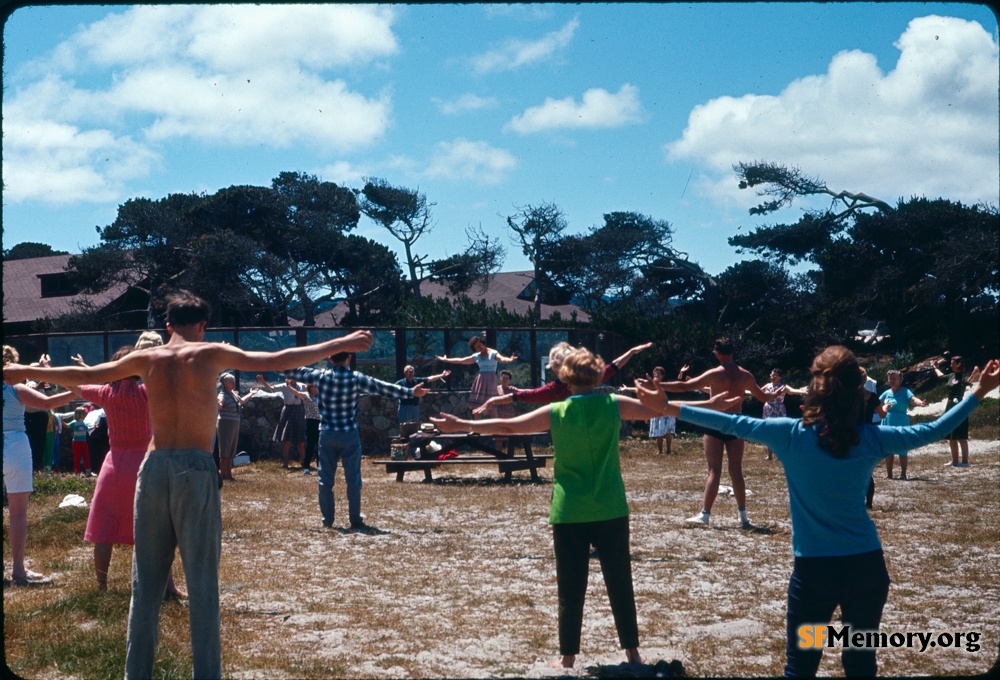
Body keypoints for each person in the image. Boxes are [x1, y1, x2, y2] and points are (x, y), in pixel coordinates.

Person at [3, 290, 374, 679]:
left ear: (167, 326)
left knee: (145, 583)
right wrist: (342, 342)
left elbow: (86, 376)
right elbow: (278, 359)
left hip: (154, 466)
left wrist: (30, 371)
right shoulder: (211, 352)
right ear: (202, 325)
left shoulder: (146, 358)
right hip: (194, 469)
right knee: (201, 580)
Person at [637, 347, 1000, 677]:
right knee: (860, 663)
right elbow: (935, 429)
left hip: (814, 573)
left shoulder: (790, 434)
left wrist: (667, 407)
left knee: (801, 666)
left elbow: (730, 424)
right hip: (866, 568)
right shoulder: (871, 437)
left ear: (815, 387)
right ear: (858, 390)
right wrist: (978, 393)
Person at [432, 348, 718, 669]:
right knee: (620, 582)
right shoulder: (614, 404)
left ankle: (567, 658)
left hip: (569, 511)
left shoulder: (556, 410)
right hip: (611, 506)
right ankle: (633, 654)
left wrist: (458, 425)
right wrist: (709, 406)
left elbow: (510, 427)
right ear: (598, 375)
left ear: (565, 377)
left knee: (570, 585)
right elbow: (664, 410)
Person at [64, 346, 185, 596]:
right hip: (146, 464)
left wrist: (50, 371)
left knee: (103, 529)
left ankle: (101, 587)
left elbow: (79, 386)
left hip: (114, 466)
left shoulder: (107, 393)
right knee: (158, 528)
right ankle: (168, 587)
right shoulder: (147, 391)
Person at [280, 351, 428, 531]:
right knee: (353, 479)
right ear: (349, 358)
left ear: (330, 359)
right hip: (349, 433)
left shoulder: (319, 376)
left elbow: (290, 371)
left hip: (326, 433)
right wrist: (411, 391)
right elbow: (383, 387)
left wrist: (267, 361)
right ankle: (355, 519)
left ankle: (327, 519)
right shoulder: (356, 378)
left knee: (325, 480)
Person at [658, 337, 771, 528]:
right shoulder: (746, 375)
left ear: (717, 353)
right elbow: (763, 396)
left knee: (714, 470)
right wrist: (775, 395)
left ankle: (705, 514)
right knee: (736, 470)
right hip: (736, 422)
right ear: (732, 352)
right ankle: (743, 517)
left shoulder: (714, 374)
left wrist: (659, 385)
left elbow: (685, 386)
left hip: (715, 422)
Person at [3, 346, 76, 586]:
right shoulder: (17, 389)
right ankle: (18, 569)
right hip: (15, 444)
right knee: (18, 512)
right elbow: (48, 403)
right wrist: (74, 392)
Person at [472, 341, 653, 415]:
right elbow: (615, 365)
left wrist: (493, 402)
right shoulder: (608, 399)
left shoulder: (554, 397)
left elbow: (522, 398)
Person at [435, 335, 517, 417]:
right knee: (476, 407)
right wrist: (445, 359)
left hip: (491, 381)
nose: (479, 347)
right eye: (477, 347)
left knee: (492, 407)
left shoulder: (493, 353)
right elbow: (461, 360)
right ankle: (476, 428)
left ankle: (494, 428)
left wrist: (510, 359)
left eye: (480, 345)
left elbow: (502, 359)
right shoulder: (476, 356)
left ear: (483, 343)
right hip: (480, 380)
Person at [878, 370, 927, 480]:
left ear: (900, 380)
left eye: (894, 378)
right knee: (888, 448)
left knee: (902, 447)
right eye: (890, 378)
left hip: (901, 422)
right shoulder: (886, 393)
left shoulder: (905, 391)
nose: (892, 381)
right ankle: (889, 474)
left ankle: (903, 474)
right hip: (887, 422)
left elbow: (913, 400)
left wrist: (920, 403)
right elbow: (877, 404)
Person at [934, 355, 981, 467]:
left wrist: (974, 374)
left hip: (960, 407)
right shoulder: (951, 376)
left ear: (958, 364)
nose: (950, 365)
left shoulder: (962, 377)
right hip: (949, 406)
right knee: (951, 435)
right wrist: (935, 368)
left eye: (952, 363)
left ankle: (965, 461)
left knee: (961, 436)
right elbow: (941, 376)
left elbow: (968, 382)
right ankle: (955, 461)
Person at [255, 374, 308, 469]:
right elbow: (271, 388)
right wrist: (262, 381)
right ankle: (285, 462)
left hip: (299, 410)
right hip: (288, 410)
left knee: (301, 439)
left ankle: (303, 460)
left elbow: (310, 391)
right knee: (287, 438)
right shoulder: (284, 386)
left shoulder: (302, 386)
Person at [216, 373, 258, 481]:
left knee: (230, 451)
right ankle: (223, 476)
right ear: (225, 384)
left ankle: (229, 475)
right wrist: (218, 404)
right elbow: (220, 403)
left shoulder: (233, 394)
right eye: (231, 382)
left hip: (234, 424)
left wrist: (251, 393)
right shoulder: (223, 394)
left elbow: (242, 401)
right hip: (226, 424)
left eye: (233, 382)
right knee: (224, 451)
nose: (233, 384)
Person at [761, 368, 788, 461]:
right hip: (768, 409)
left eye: (775, 376)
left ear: (780, 377)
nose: (772, 377)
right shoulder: (767, 385)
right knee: (769, 432)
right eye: (771, 375)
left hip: (779, 409)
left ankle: (779, 455)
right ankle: (769, 455)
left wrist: (804, 392)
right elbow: (757, 393)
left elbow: (793, 391)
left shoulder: (783, 386)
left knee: (779, 432)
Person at [66, 406, 95, 476]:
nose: (85, 414)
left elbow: (87, 429)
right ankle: (77, 472)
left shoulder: (83, 422)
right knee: (77, 457)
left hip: (84, 442)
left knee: (86, 456)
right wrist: (61, 421)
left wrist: (94, 427)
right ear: (79, 414)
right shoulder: (74, 422)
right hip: (76, 442)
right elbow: (67, 426)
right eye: (83, 413)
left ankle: (88, 471)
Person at [301, 384, 322, 475]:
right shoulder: (306, 395)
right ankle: (306, 467)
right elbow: (296, 393)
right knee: (310, 445)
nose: (316, 388)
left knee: (320, 445)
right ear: (310, 388)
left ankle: (320, 466)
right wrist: (289, 386)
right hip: (311, 422)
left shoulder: (320, 396)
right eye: (314, 386)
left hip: (320, 422)